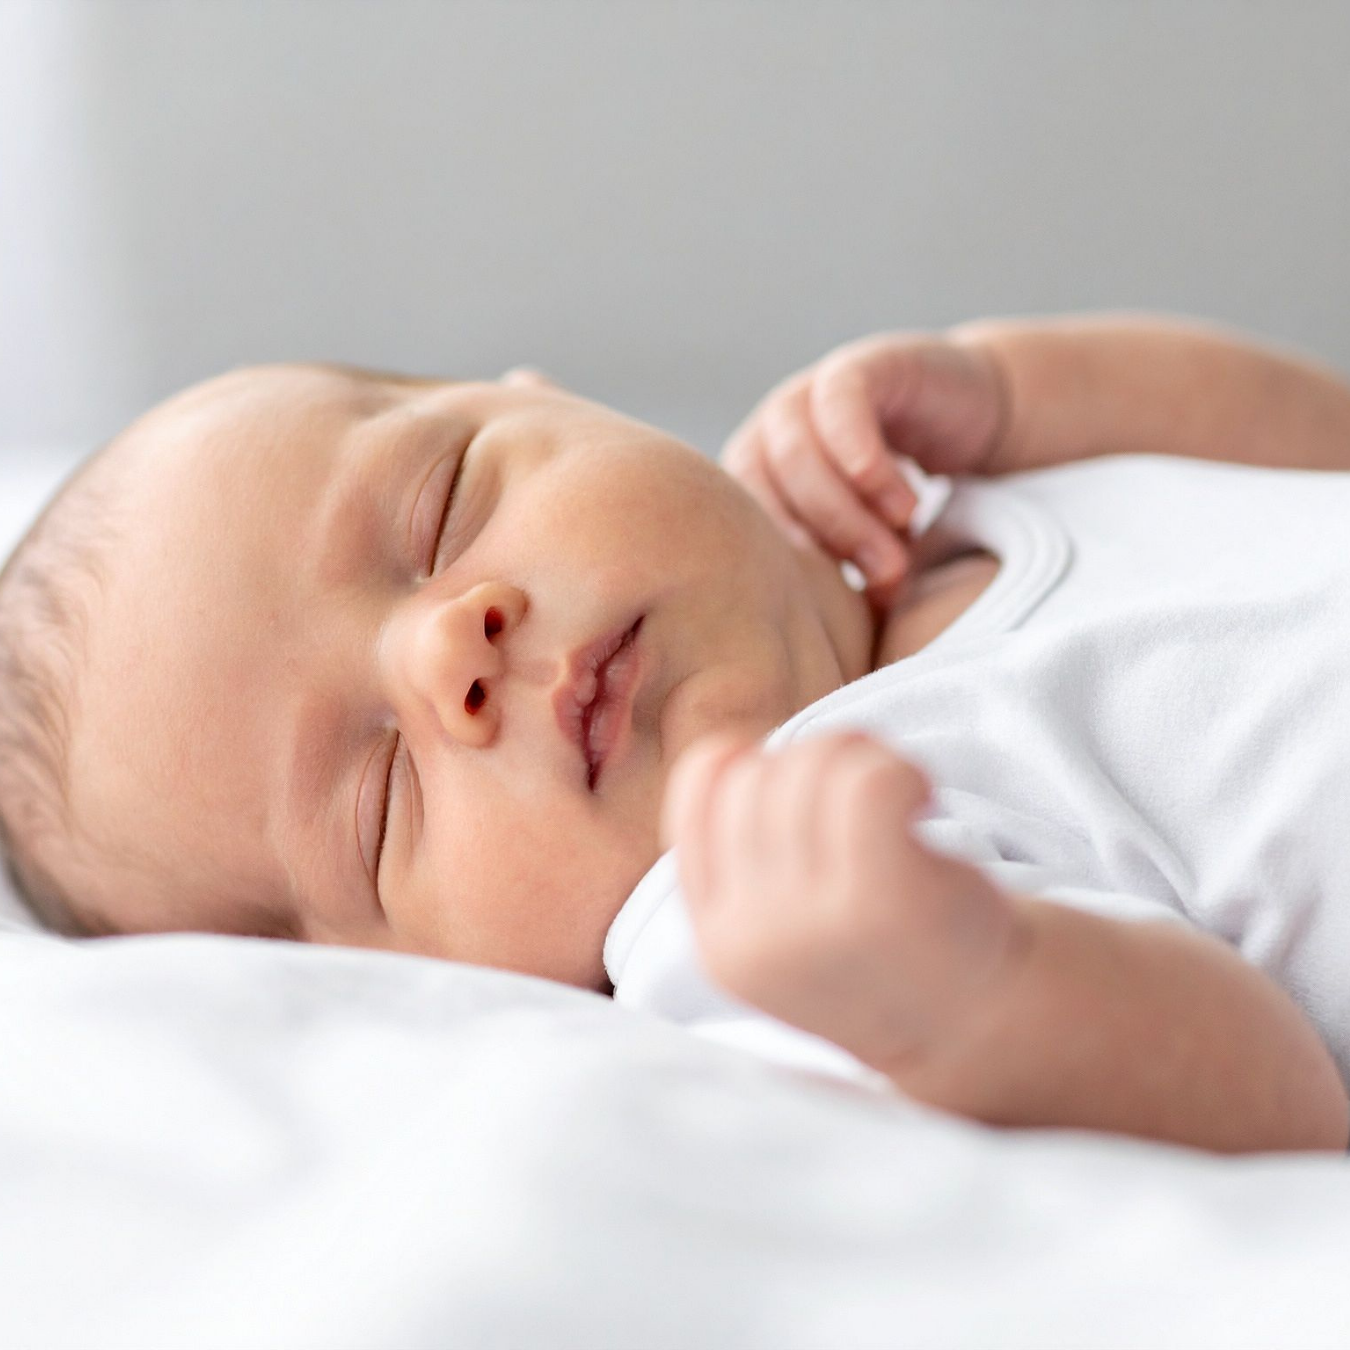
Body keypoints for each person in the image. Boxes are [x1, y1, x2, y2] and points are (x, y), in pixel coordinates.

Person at [2, 313, 1348, 1153]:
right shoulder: (768, 917)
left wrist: (1013, 387)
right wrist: (968, 982)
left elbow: (1317, 445)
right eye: (382, 792)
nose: (448, 651)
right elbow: (1275, 1099)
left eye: (437, 511)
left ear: (549, 395)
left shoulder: (934, 493)